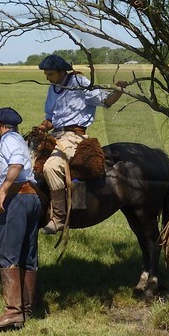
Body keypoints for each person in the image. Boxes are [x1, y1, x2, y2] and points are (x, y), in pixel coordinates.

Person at [34, 54, 127, 234]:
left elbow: (105, 100)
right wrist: (41, 128)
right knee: (28, 161)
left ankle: (59, 218)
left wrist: (119, 91)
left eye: (50, 74)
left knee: (51, 167)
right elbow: (50, 118)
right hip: (56, 134)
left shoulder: (79, 82)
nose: (47, 77)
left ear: (62, 72)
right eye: (46, 74)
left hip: (73, 136)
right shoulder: (54, 87)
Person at [0, 107, 43, 331]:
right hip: (31, 198)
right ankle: (26, 309)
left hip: (17, 199)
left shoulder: (7, 141)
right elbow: (9, 167)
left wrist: (2, 191)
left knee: (7, 251)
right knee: (27, 253)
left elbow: (15, 166)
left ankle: (13, 312)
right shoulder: (19, 141)